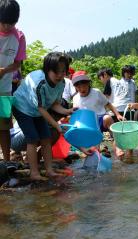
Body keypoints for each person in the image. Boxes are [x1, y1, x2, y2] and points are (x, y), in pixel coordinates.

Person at [12, 52, 73, 180]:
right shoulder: (39, 83)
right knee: (32, 138)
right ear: (47, 70)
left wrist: (67, 111)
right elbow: (41, 108)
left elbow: (54, 104)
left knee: (46, 137)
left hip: (39, 109)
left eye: (63, 71)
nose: (60, 75)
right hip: (22, 107)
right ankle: (34, 173)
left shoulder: (61, 83)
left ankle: (49, 170)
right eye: (56, 71)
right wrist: (56, 124)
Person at [72, 70, 124, 157]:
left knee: (107, 118)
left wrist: (118, 114)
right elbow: (76, 115)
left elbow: (108, 104)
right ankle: (98, 152)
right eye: (78, 86)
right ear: (75, 87)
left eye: (84, 85)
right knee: (94, 152)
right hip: (89, 125)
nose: (82, 88)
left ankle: (118, 147)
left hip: (101, 119)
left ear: (88, 83)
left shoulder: (96, 92)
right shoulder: (75, 98)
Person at [0, 0, 26, 161]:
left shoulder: (19, 36)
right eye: (3, 23)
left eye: (11, 23)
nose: (7, 27)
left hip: (5, 88)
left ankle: (6, 161)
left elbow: (18, 63)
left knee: (4, 126)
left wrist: (4, 71)